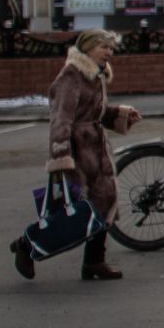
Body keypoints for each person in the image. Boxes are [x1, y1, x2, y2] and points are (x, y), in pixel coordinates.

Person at [12, 28, 141, 282]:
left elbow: (94, 113)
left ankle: (94, 261)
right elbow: (61, 120)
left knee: (103, 205)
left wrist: (119, 114)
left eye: (111, 48)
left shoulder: (94, 75)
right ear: (89, 48)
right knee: (72, 213)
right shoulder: (71, 77)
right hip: (77, 154)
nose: (109, 53)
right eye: (104, 47)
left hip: (96, 152)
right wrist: (61, 157)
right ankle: (25, 245)